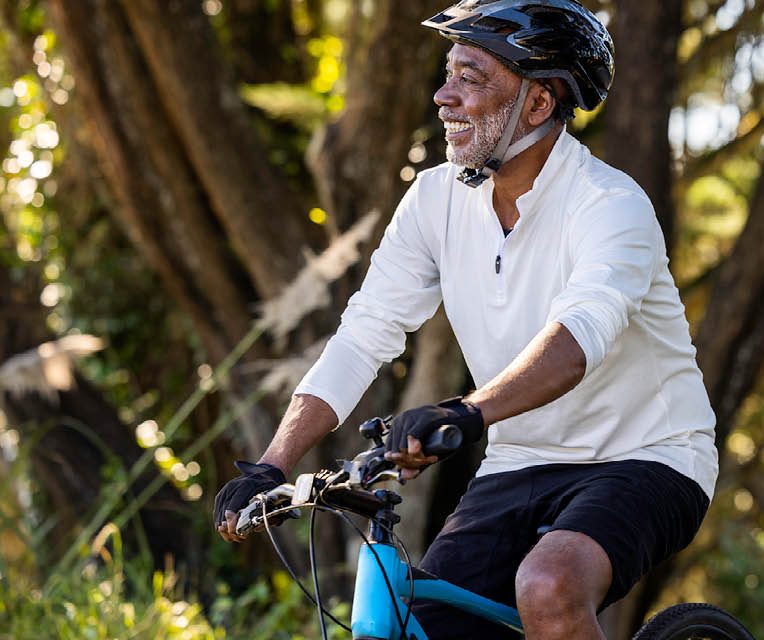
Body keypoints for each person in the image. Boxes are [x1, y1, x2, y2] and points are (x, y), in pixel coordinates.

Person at [214, 1, 718, 638]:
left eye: (471, 77)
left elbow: (575, 342)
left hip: (649, 456)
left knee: (549, 586)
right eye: (448, 72)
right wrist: (273, 463)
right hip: (520, 461)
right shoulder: (433, 199)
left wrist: (468, 412)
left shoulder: (610, 205)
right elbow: (365, 332)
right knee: (421, 624)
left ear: (538, 104)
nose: (443, 94)